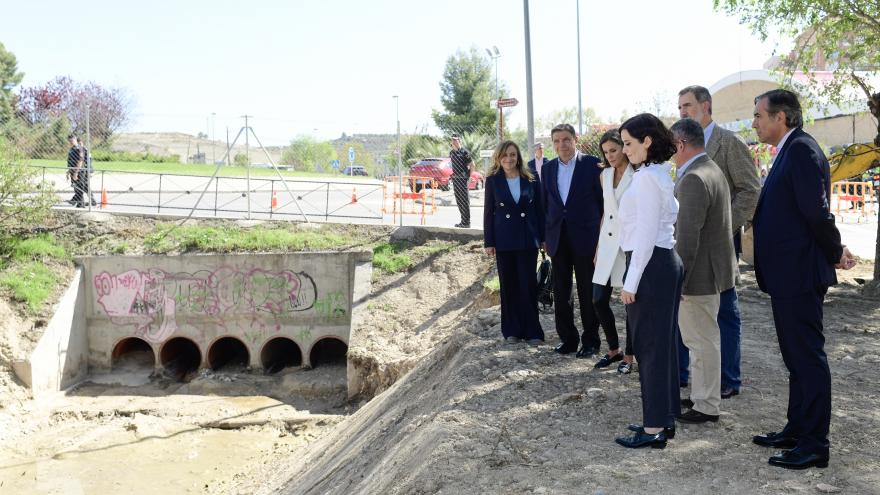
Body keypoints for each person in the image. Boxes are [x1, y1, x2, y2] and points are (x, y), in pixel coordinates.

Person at [750, 89, 854, 469]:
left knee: (808, 359)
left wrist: (835, 251)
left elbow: (817, 213)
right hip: (785, 273)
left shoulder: (802, 150)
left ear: (782, 117)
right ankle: (796, 428)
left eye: (760, 115)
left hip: (799, 273)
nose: (755, 122)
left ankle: (814, 444)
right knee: (795, 358)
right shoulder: (789, 150)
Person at [678, 85, 760, 398]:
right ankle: (693, 378)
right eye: (680, 107)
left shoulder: (729, 143)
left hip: (720, 244)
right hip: (689, 240)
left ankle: (728, 379)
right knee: (691, 317)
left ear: (706, 106)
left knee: (724, 312)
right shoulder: (681, 147)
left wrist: (724, 225)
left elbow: (751, 191)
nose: (683, 111)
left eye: (687, 105)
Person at [613, 113, 682, 449]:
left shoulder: (646, 179)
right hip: (660, 262)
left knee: (650, 349)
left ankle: (654, 426)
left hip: (650, 263)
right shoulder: (656, 174)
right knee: (661, 345)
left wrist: (631, 281)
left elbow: (644, 235)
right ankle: (663, 418)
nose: (625, 150)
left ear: (647, 142)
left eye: (628, 143)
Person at [669, 118, 736, 425]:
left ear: (681, 144)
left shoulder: (694, 177)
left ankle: (706, 405)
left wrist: (677, 278)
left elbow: (687, 238)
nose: (671, 154)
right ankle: (701, 395)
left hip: (698, 277)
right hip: (712, 271)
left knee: (701, 341)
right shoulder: (710, 168)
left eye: (672, 147)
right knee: (703, 339)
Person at [540, 123, 603, 358]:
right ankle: (568, 339)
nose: (561, 145)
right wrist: (546, 237)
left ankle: (591, 341)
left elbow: (602, 202)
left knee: (588, 290)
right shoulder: (547, 169)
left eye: (566, 140)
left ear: (575, 140)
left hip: (586, 238)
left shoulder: (592, 165)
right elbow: (545, 204)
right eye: (556, 141)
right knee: (561, 290)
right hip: (558, 238)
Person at [483, 141, 545, 344]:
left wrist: (542, 238)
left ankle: (533, 331)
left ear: (518, 156)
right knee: (508, 285)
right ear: (498, 158)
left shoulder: (531, 179)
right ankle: (512, 330)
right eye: (504, 156)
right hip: (504, 240)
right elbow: (488, 213)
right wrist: (489, 241)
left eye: (512, 155)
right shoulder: (493, 181)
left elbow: (539, 211)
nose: (508, 159)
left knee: (527, 285)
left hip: (528, 239)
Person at [590, 130, 636, 372]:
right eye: (606, 152)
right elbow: (605, 214)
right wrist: (598, 246)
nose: (609, 156)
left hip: (629, 244)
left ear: (624, 148)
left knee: (631, 304)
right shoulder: (604, 175)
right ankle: (613, 349)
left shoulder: (638, 174)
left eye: (614, 150)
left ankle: (629, 355)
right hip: (608, 244)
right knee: (598, 299)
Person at [450, 135, 475, 228]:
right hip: (455, 179)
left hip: (463, 179)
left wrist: (470, 177)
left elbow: (472, 164)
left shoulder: (464, 152)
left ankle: (467, 222)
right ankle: (463, 221)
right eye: (453, 140)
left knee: (464, 201)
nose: (454, 142)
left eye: (456, 140)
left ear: (459, 141)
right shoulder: (451, 153)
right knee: (459, 201)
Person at [67, 134, 96, 208]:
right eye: (69, 141)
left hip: (80, 171)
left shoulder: (80, 148)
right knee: (77, 187)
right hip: (73, 170)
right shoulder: (72, 149)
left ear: (75, 139)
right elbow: (70, 161)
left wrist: (76, 172)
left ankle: (79, 203)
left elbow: (80, 161)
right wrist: (68, 171)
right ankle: (80, 203)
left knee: (80, 186)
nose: (70, 142)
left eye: (72, 140)